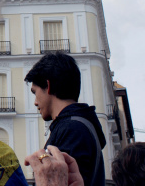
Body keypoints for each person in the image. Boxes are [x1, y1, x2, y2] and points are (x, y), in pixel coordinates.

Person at [24, 52, 106, 186]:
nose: (35, 102)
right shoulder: (79, 125)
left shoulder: (71, 129)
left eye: (35, 92)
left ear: (48, 85)